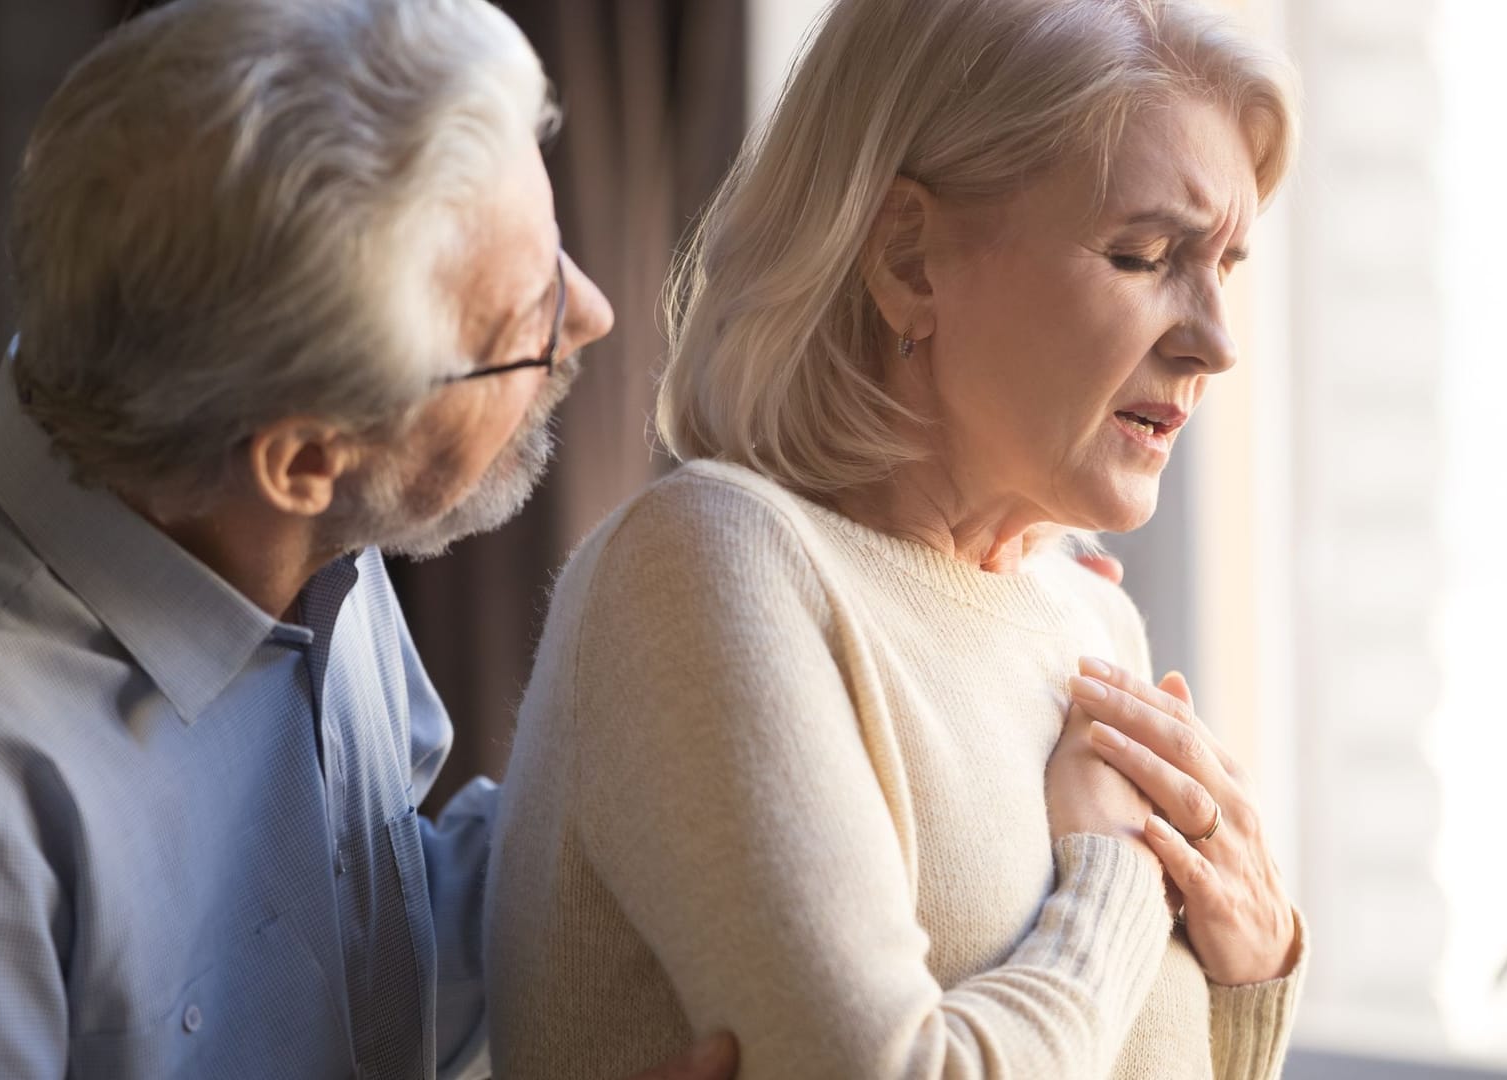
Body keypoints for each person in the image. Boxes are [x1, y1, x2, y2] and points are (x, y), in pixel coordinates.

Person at [0, 1, 737, 1077]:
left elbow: (360, 960)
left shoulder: (283, 524)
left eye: (556, 249)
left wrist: (684, 786)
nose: (598, 314)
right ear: (299, 458)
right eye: (523, 320)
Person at [487, 0, 1307, 1077]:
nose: (1215, 343)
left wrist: (1248, 983)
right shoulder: (709, 564)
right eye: (1145, 254)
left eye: (1228, 267)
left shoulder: (1090, 619)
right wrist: (1108, 884)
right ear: (909, 259)